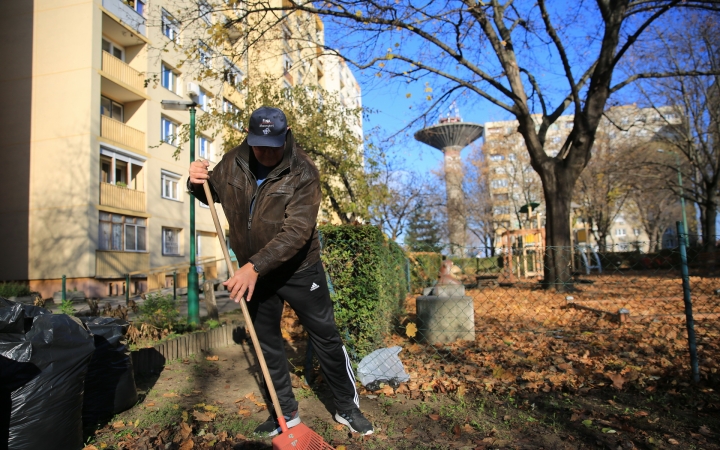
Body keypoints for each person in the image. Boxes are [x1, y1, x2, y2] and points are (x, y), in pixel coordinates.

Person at [188, 106, 373, 436]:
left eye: (272, 144)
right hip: (253, 272)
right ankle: (285, 414)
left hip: (298, 270)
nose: (265, 151)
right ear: (249, 137)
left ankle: (347, 407)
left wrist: (254, 266)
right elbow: (213, 194)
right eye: (258, 143)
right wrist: (195, 181)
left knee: (326, 338)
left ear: (285, 136)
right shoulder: (233, 161)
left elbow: (297, 232)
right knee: (266, 342)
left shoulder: (303, 172)